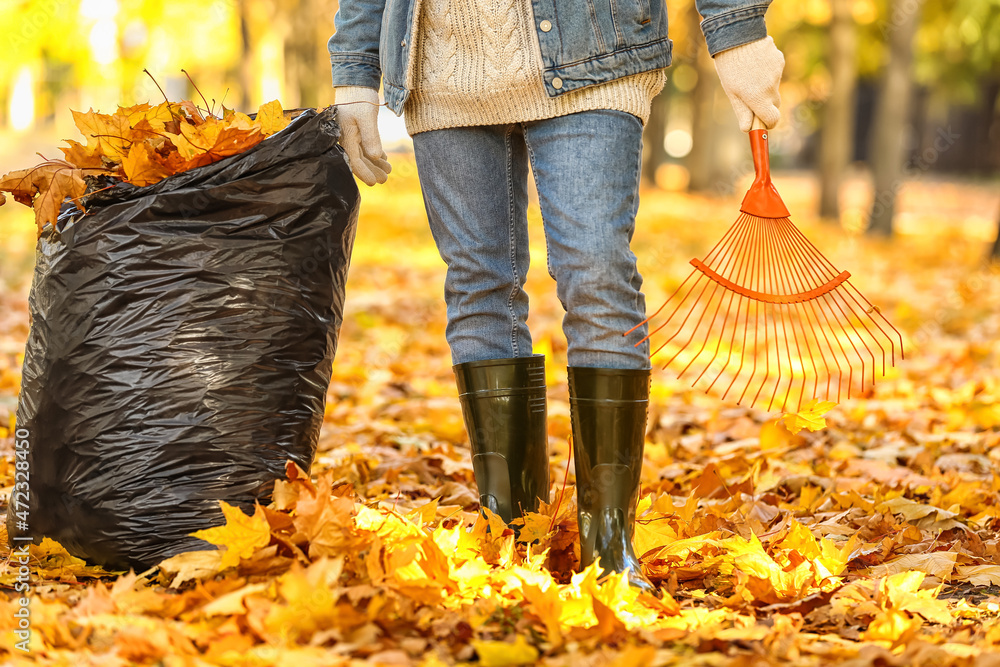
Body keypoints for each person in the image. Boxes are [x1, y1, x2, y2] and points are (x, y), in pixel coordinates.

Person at [328, 0, 784, 595]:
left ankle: (608, 541)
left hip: (592, 48)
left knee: (596, 270)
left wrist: (737, 30)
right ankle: (511, 530)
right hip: (439, 64)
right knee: (477, 283)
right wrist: (355, 71)